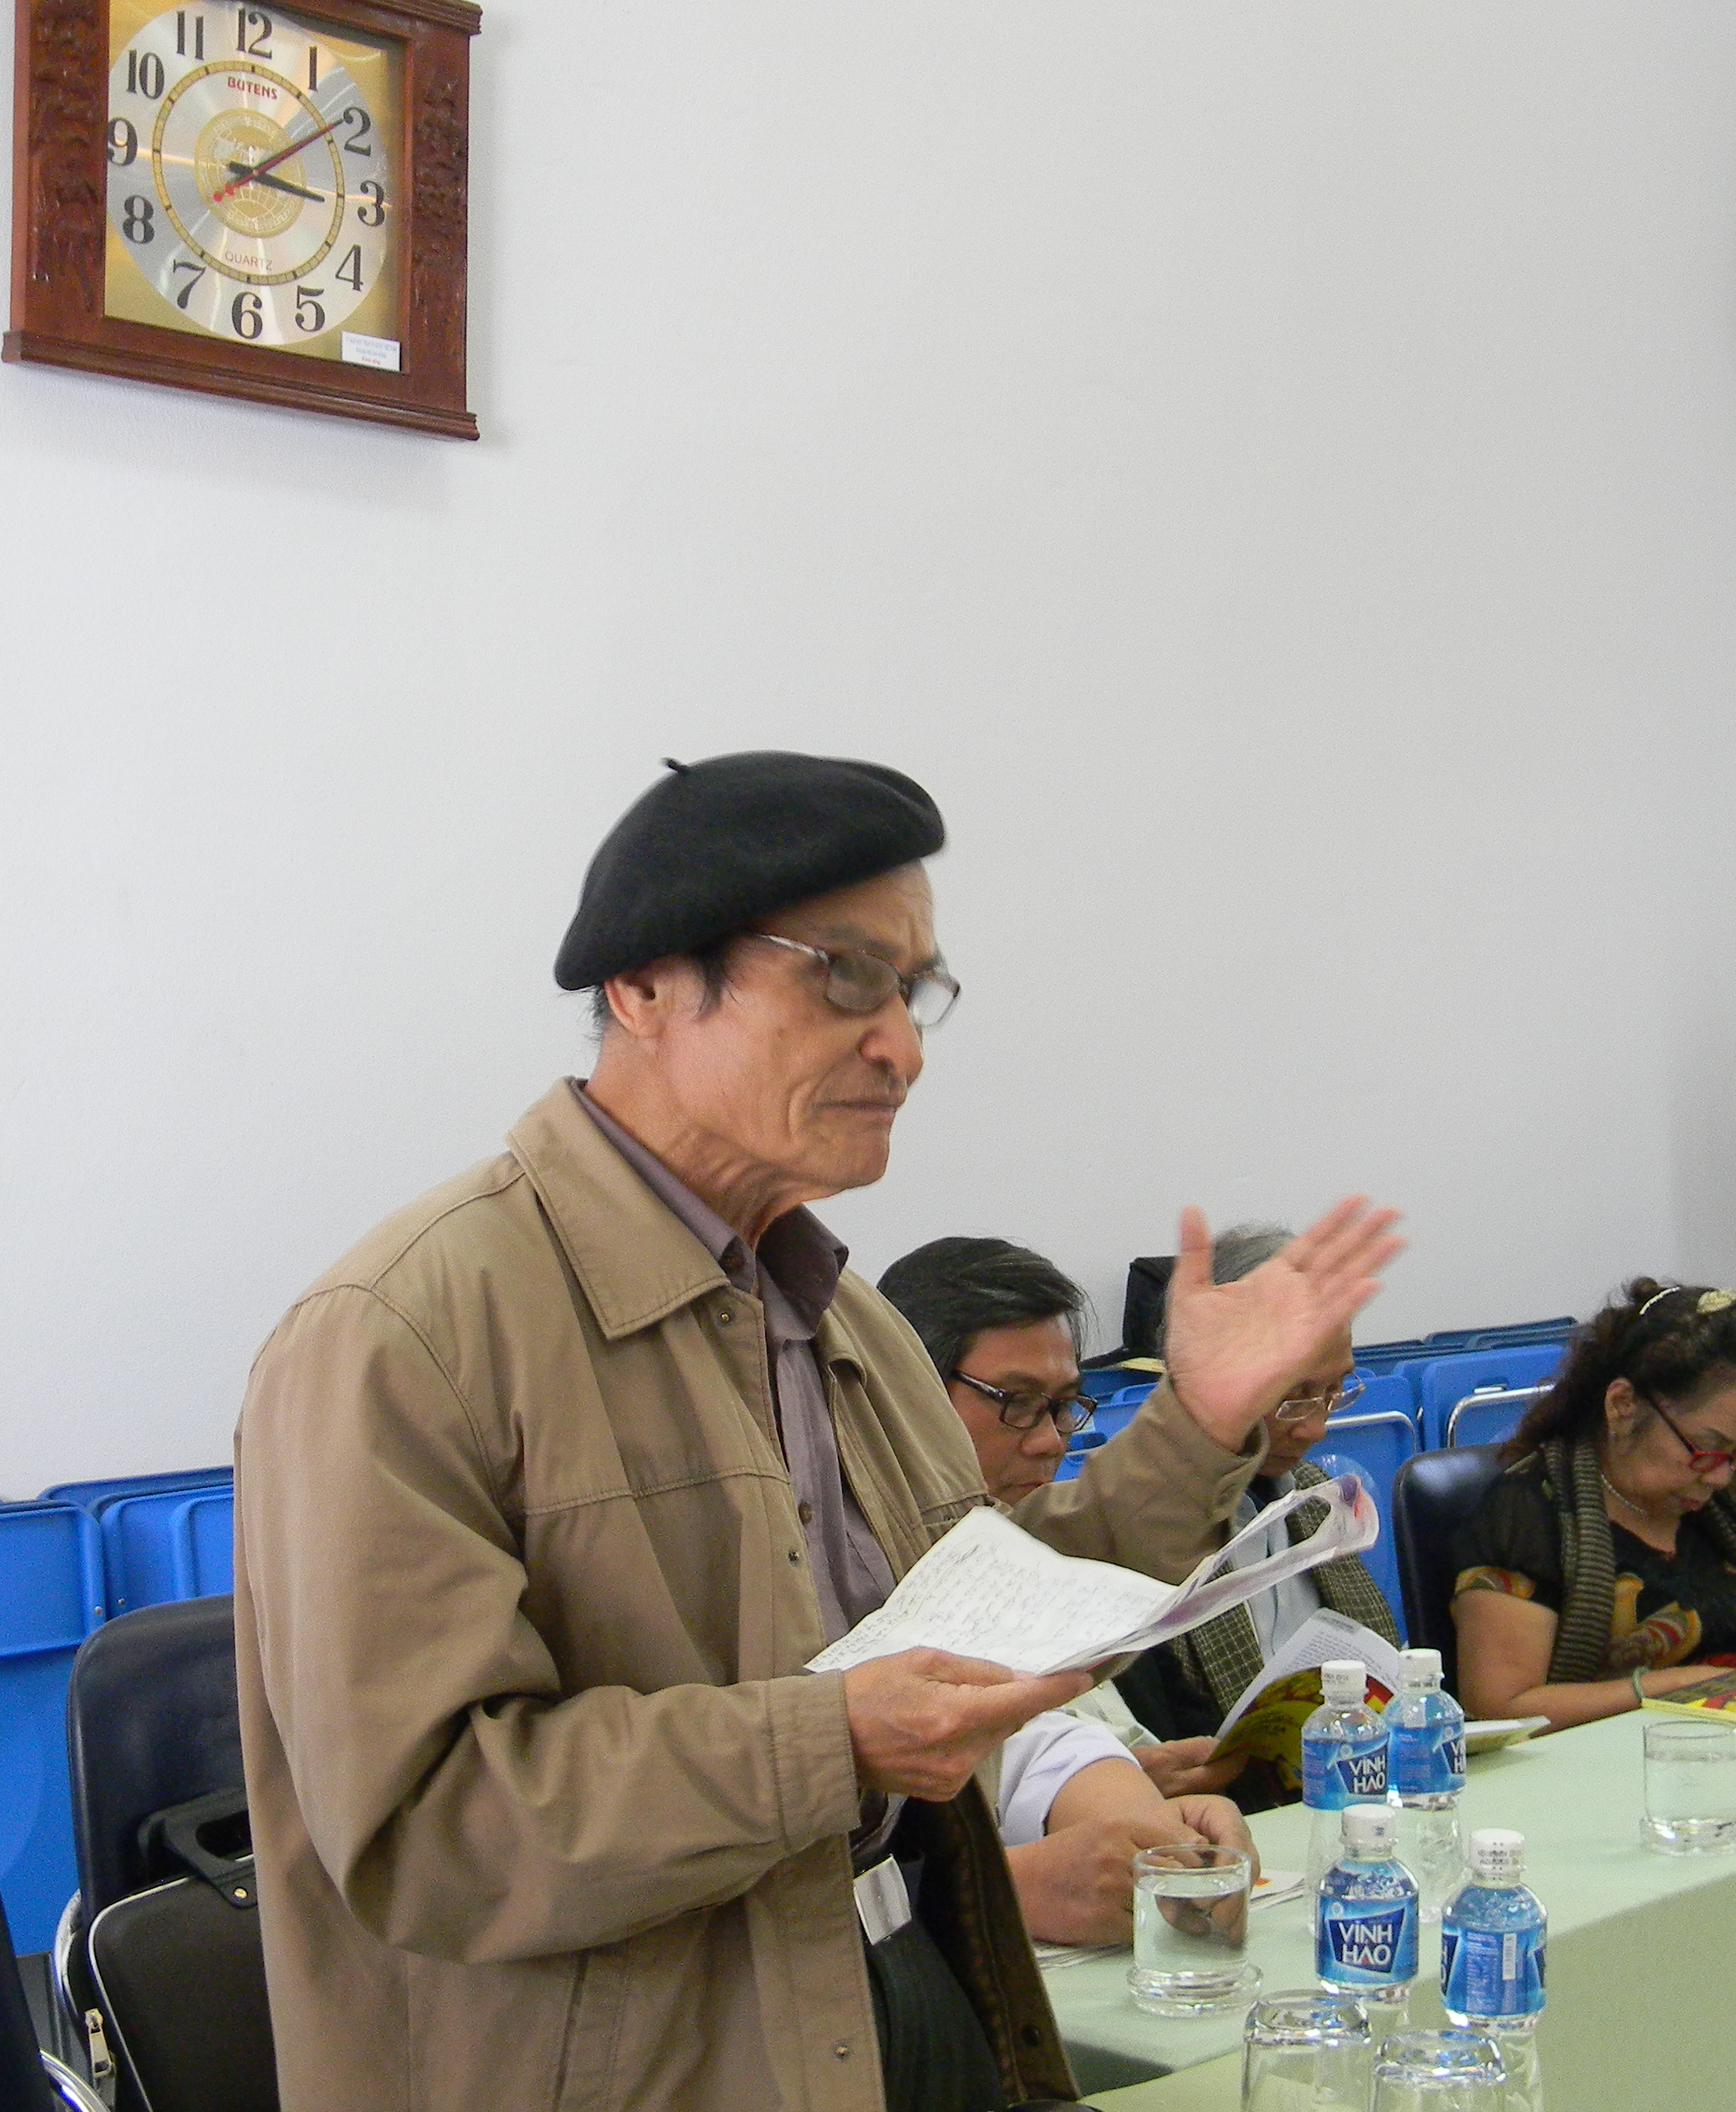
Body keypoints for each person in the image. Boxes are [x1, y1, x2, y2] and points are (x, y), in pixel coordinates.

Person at [233, 751, 1403, 2112]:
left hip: (906, 1984)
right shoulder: (405, 1335)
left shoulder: (843, 1318)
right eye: (844, 976)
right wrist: (830, 1742)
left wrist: (1198, 1425)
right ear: (646, 986)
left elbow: (999, 1609)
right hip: (639, 2063)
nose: (902, 1045)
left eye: (914, 990)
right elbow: (432, 1829)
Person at [876, 1233, 1257, 1947]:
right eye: (1017, 1403)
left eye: (1063, 1406)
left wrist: (1158, 1829)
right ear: (907, 1395)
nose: (1052, 1440)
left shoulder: (1040, 1562)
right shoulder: (854, 1570)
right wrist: (1004, 1887)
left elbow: (1045, 1746)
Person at [1447, 1281, 1736, 1729]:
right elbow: (1498, 1707)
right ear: (1623, 1405)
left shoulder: (1713, 1511)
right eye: (1706, 1448)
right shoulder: (1526, 1516)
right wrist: (1670, 1688)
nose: (1721, 1476)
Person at [1107, 1226, 1404, 1774]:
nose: (1316, 1427)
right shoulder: (1135, 1534)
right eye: (1293, 1396)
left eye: (1335, 1391)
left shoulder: (1314, 1499)